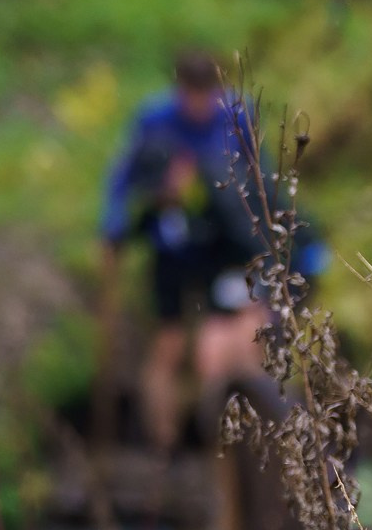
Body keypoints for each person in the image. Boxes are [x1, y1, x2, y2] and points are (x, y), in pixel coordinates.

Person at [97, 49, 322, 450]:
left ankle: (242, 439)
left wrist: (287, 239)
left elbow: (261, 182)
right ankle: (162, 444)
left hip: (226, 246)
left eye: (207, 95)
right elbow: (123, 180)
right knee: (169, 342)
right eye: (192, 95)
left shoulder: (236, 114)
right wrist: (112, 228)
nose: (200, 106)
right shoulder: (154, 120)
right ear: (180, 90)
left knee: (241, 332)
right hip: (173, 246)